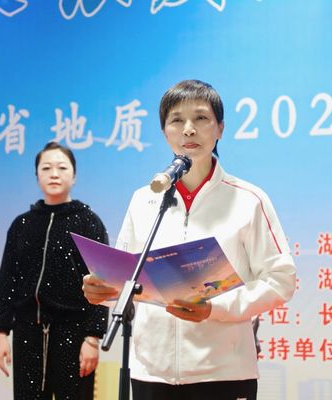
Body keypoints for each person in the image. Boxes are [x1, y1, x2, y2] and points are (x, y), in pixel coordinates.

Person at [82, 79, 296, 400]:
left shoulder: (249, 200)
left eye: (201, 118)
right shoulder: (144, 199)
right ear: (164, 132)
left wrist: (214, 308)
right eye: (177, 120)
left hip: (223, 373)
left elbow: (281, 281)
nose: (189, 129)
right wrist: (105, 290)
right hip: (150, 373)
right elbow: (129, 278)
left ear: (220, 128)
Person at [0, 141, 109, 400]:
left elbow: (102, 284)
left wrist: (92, 338)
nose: (54, 174)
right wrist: (1, 332)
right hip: (27, 334)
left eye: (62, 168)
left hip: (74, 334)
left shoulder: (88, 222)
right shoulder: (22, 224)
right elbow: (7, 281)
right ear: (37, 176)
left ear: (74, 175)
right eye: (46, 168)